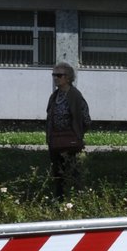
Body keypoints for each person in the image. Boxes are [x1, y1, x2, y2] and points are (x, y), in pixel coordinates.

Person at [44, 62, 91, 197]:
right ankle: (60, 199)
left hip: (70, 142)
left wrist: (77, 134)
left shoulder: (75, 96)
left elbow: (86, 119)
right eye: (54, 75)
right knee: (58, 173)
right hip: (55, 141)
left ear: (68, 77)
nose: (56, 78)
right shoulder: (54, 96)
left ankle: (77, 198)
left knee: (74, 171)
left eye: (59, 75)